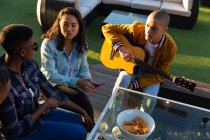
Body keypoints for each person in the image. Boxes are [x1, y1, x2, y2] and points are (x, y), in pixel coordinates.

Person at [0, 24, 93, 140]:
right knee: (79, 132)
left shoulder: (30, 64)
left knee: (81, 122)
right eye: (34, 46)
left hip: (38, 113)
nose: (35, 49)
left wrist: (82, 111)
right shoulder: (4, 84)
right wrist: (44, 107)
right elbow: (14, 131)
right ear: (22, 52)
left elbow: (52, 91)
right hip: (24, 131)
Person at [102, 10, 177, 113]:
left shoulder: (170, 48)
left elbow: (160, 76)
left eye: (154, 28)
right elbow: (106, 28)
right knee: (122, 81)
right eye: (147, 25)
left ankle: (140, 122)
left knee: (149, 101)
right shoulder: (137, 29)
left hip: (152, 75)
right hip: (131, 66)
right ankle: (112, 114)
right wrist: (121, 48)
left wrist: (136, 83)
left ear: (164, 29)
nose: (148, 31)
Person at [40, 7, 99, 122]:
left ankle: (90, 131)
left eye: (73, 25)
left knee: (83, 103)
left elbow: (83, 67)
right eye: (65, 24)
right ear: (59, 24)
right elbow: (50, 75)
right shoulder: (49, 44)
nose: (69, 29)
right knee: (83, 101)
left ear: (79, 26)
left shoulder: (82, 44)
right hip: (51, 85)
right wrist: (76, 82)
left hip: (70, 84)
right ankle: (89, 131)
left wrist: (87, 80)